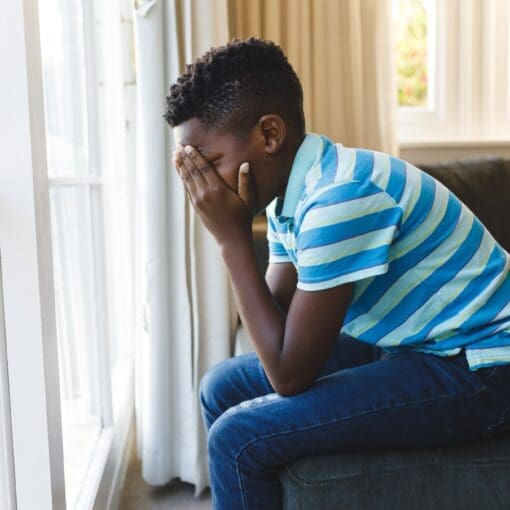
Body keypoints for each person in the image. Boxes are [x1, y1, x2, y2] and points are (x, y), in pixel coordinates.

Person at [165, 36, 510, 510]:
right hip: (423, 348)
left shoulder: (340, 197)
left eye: (210, 163)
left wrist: (231, 239)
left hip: (483, 369)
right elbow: (276, 321)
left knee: (237, 440)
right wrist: (239, 229)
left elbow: (289, 374)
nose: (201, 186)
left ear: (270, 135)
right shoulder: (298, 190)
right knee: (221, 386)